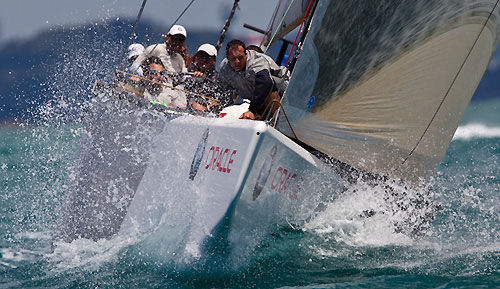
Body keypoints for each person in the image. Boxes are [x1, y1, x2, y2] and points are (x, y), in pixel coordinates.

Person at [218, 39, 288, 120]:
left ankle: (276, 121)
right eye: (233, 58)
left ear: (246, 54)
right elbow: (222, 90)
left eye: (240, 58)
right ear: (228, 58)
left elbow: (265, 83)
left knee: (269, 87)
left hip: (282, 91)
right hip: (255, 97)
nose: (237, 61)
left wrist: (252, 111)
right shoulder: (224, 67)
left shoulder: (256, 60)